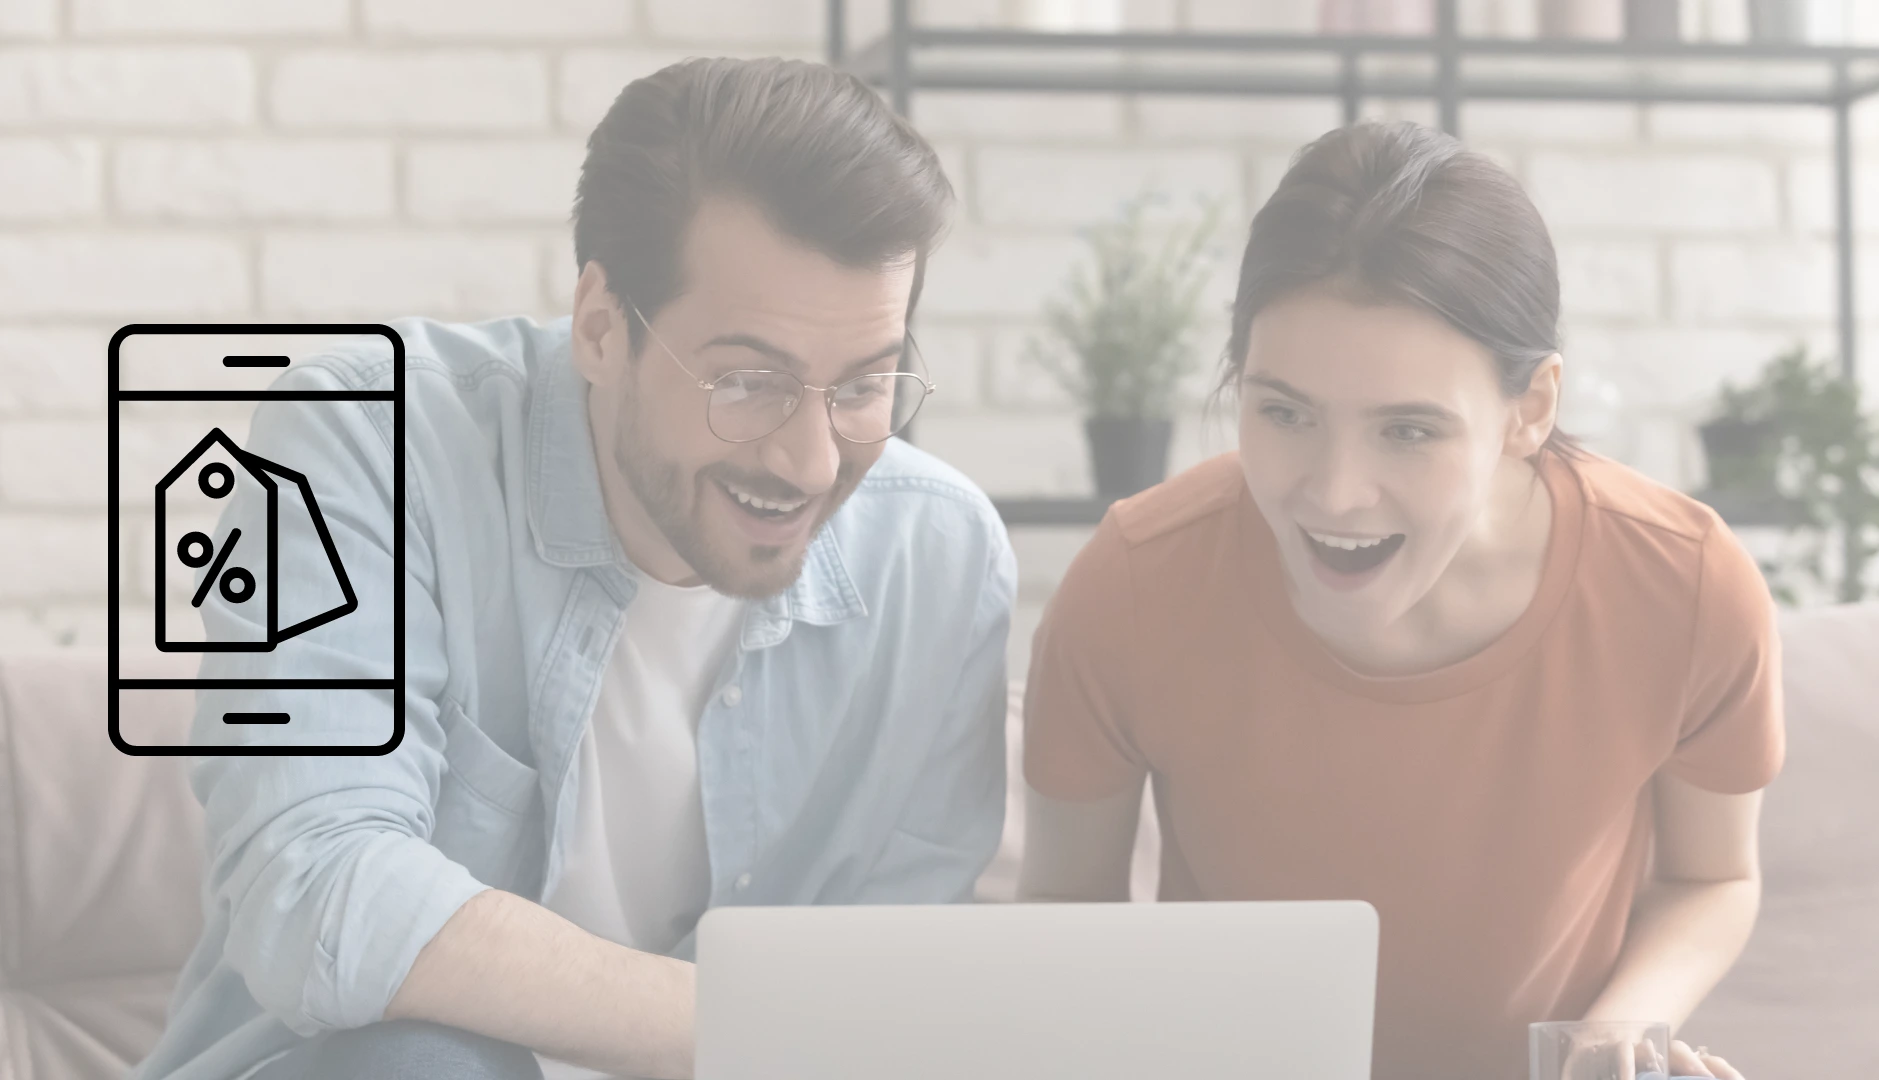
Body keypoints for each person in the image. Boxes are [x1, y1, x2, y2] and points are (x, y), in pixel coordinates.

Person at [134, 57, 1014, 1080]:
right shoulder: (362, 440)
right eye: (749, 382)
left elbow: (892, 992)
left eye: (864, 386)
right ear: (601, 327)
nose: (812, 463)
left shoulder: (937, 560)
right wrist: (743, 1031)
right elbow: (315, 889)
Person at [1017, 122, 1780, 1080]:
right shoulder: (1134, 585)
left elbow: (1712, 876)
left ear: (1531, 409)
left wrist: (1619, 1034)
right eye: (1284, 411)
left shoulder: (1685, 587)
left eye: (1409, 431)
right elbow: (1065, 914)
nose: (1335, 495)